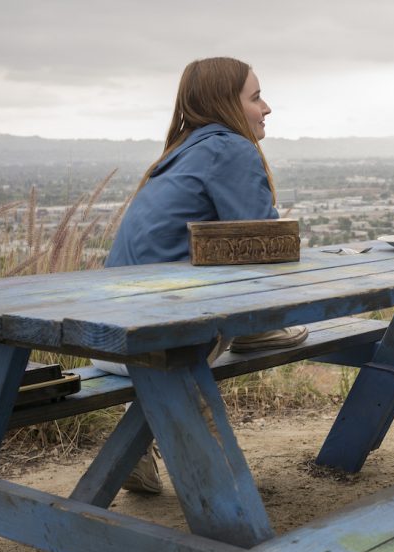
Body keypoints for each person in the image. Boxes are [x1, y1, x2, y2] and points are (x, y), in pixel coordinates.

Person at [96, 57, 307, 493]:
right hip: (158, 338)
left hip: (105, 333)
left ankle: (135, 451)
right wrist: (260, 324)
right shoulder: (230, 148)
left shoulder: (181, 152)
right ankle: (221, 495)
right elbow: (266, 248)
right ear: (225, 104)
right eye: (256, 97)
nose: (266, 108)